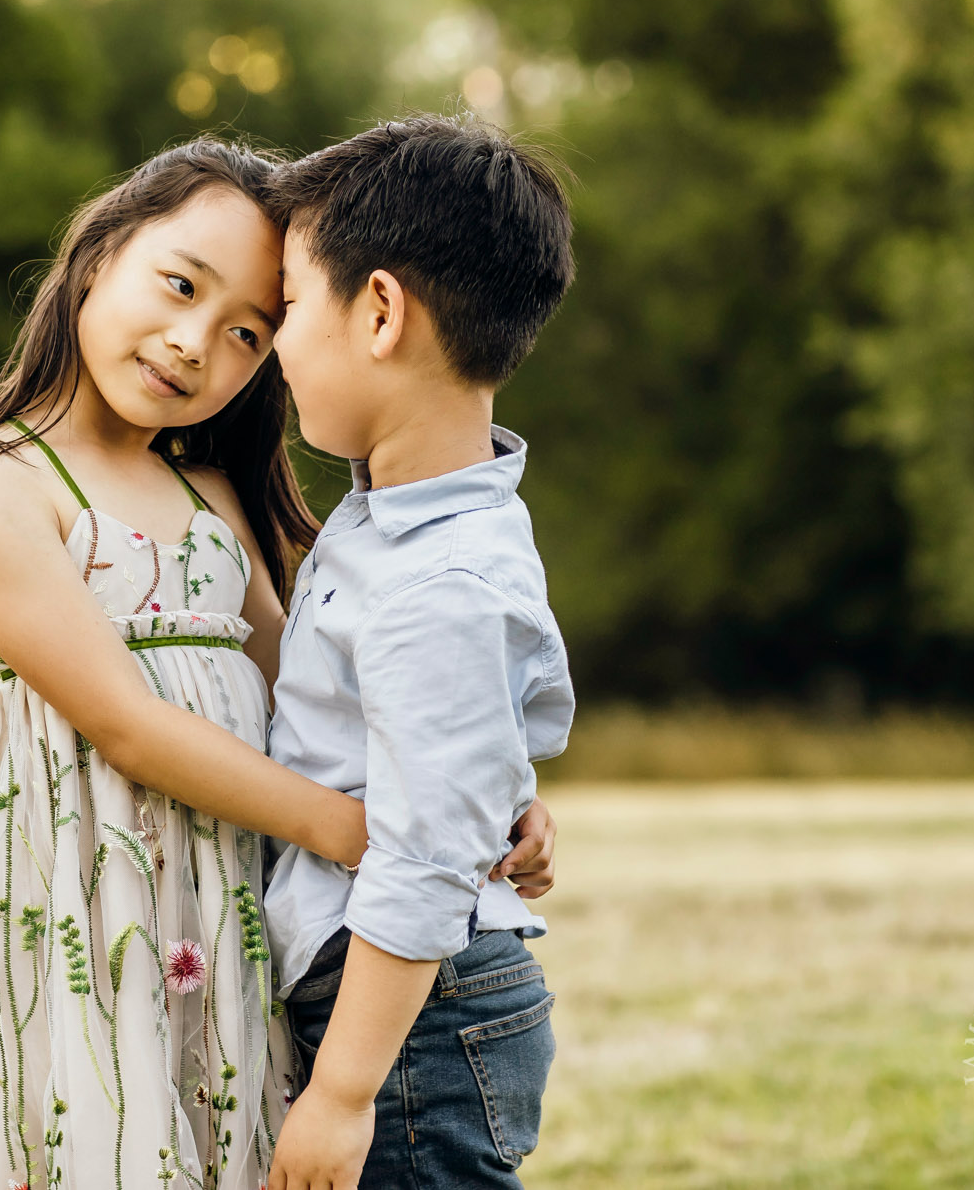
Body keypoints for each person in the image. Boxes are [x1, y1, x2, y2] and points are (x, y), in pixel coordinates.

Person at [0, 137, 555, 1190]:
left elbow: (329, 698)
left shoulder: (212, 498)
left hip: (219, 918)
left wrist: (479, 799)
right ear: (98, 251)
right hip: (74, 904)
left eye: (252, 328)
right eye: (177, 283)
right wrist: (356, 829)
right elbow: (127, 725)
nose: (196, 341)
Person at [263, 115, 578, 1190]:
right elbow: (450, 736)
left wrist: (342, 1093)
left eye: (290, 306)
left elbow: (425, 856)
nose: (274, 340)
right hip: (413, 1006)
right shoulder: (410, 522)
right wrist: (509, 798)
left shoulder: (434, 577)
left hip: (412, 1024)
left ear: (381, 310)